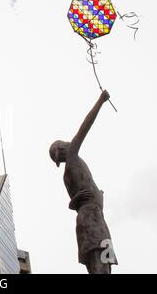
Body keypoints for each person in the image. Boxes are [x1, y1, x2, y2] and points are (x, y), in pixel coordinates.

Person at [49, 90, 117, 274]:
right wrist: (101, 101)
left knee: (106, 263)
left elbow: (74, 202)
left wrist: (96, 196)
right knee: (101, 264)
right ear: (62, 149)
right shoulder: (71, 156)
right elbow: (86, 126)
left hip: (95, 219)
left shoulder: (68, 172)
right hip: (92, 220)